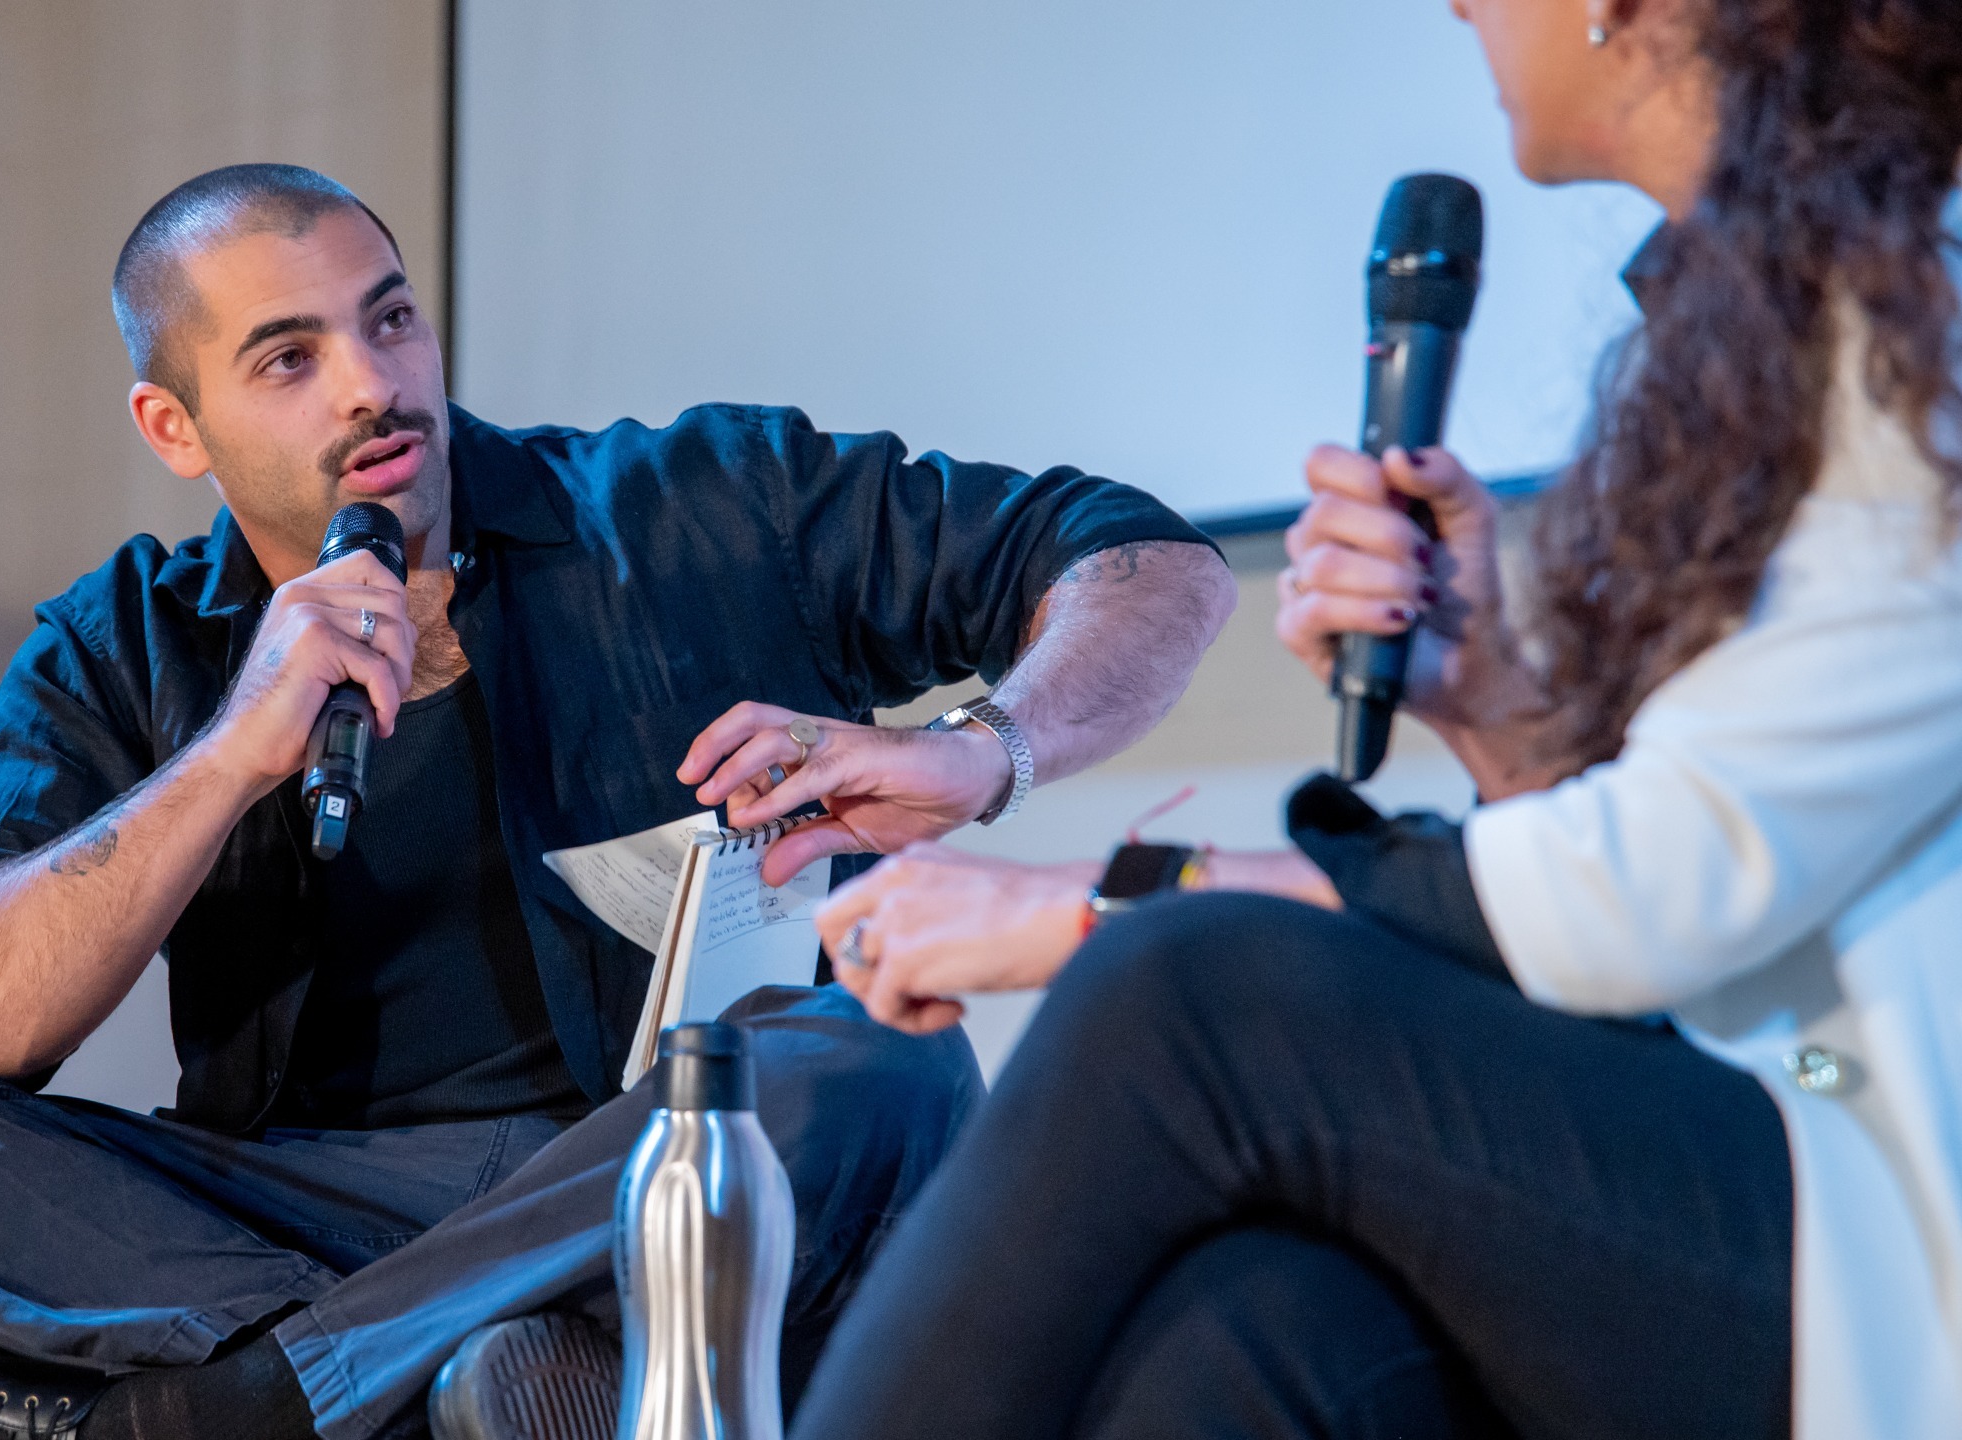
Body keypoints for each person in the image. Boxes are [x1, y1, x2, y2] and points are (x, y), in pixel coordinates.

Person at [0, 163, 1237, 1440]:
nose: (374, 386)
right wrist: (230, 753)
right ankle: (461, 1371)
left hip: (658, 1161)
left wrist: (988, 748)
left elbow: (1143, 556)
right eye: (289, 359)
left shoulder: (702, 501)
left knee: (859, 1055)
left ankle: (226, 1416)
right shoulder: (125, 641)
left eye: (393, 321)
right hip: (299, 1210)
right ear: (179, 430)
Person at [789, 0, 1962, 1436]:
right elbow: (1707, 884)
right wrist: (1500, 708)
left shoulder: (1920, 324)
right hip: (1770, 1142)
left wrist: (1091, 901)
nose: (1458, 4)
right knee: (1266, 1326)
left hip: (1893, 1239)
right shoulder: (1779, 317)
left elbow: (1672, 883)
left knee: (1185, 991)